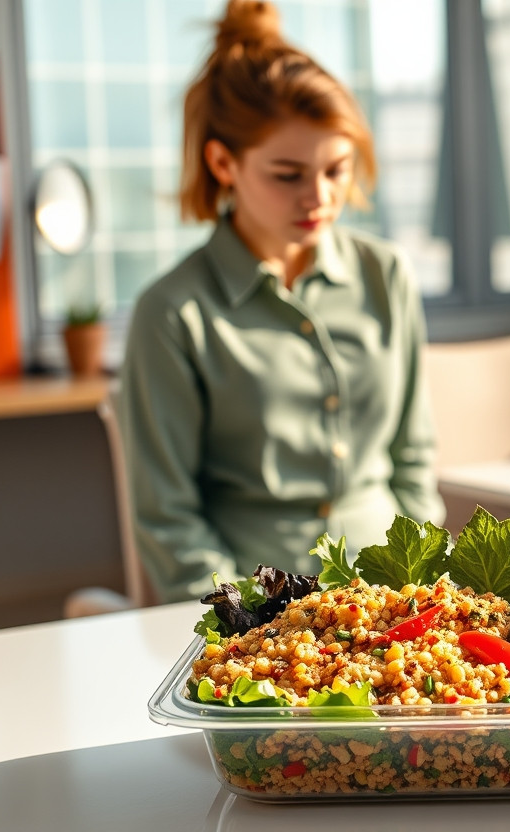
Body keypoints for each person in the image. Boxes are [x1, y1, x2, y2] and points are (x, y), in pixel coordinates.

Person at [118, 0, 442, 603]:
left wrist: (419, 592)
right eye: (288, 175)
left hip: (399, 605)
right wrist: (250, 624)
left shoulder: (387, 275)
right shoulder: (172, 313)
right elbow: (168, 520)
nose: (318, 196)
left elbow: (414, 461)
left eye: (336, 170)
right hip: (261, 621)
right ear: (223, 163)